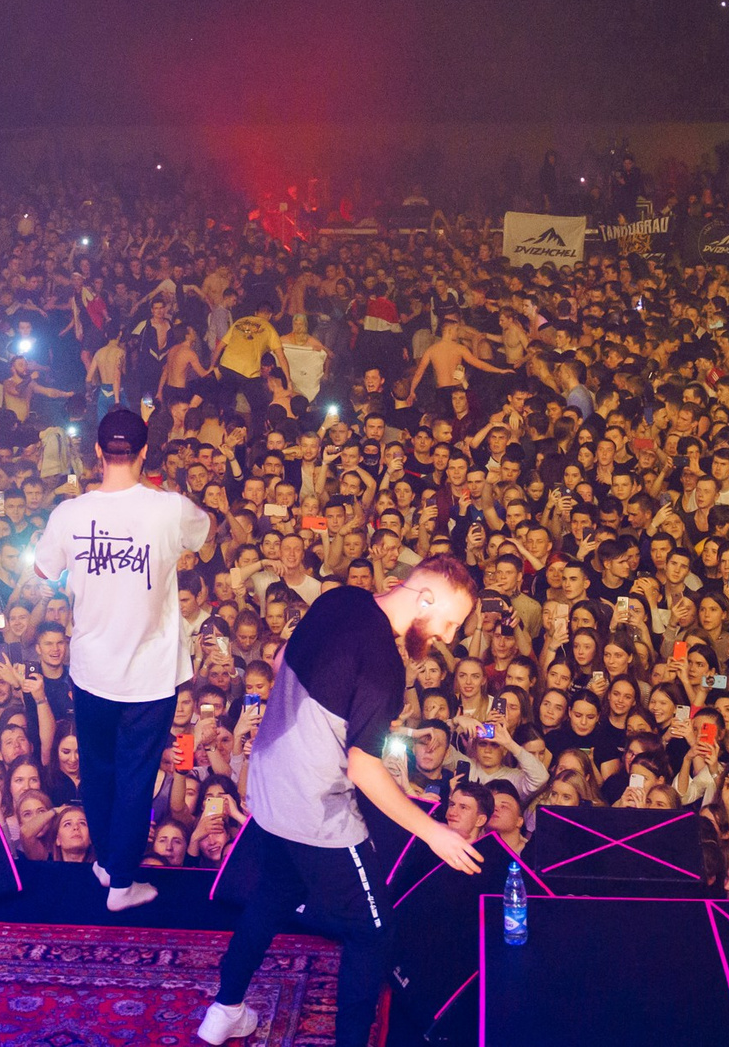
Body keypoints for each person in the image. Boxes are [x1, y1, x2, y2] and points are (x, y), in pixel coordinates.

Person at [198, 555, 484, 1047]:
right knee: (374, 930)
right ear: (426, 599)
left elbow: (286, 658)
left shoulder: (339, 598)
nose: (448, 637)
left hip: (268, 785)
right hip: (314, 809)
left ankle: (224, 1009)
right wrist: (433, 831)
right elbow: (364, 769)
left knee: (274, 893)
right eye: (450, 622)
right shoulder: (385, 668)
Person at [30, 407, 211, 911]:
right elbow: (207, 532)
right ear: (146, 451)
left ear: (95, 451)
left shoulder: (69, 513)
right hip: (149, 675)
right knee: (134, 775)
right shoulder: (169, 508)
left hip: (91, 669)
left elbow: (44, 572)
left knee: (100, 769)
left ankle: (109, 861)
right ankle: (122, 882)